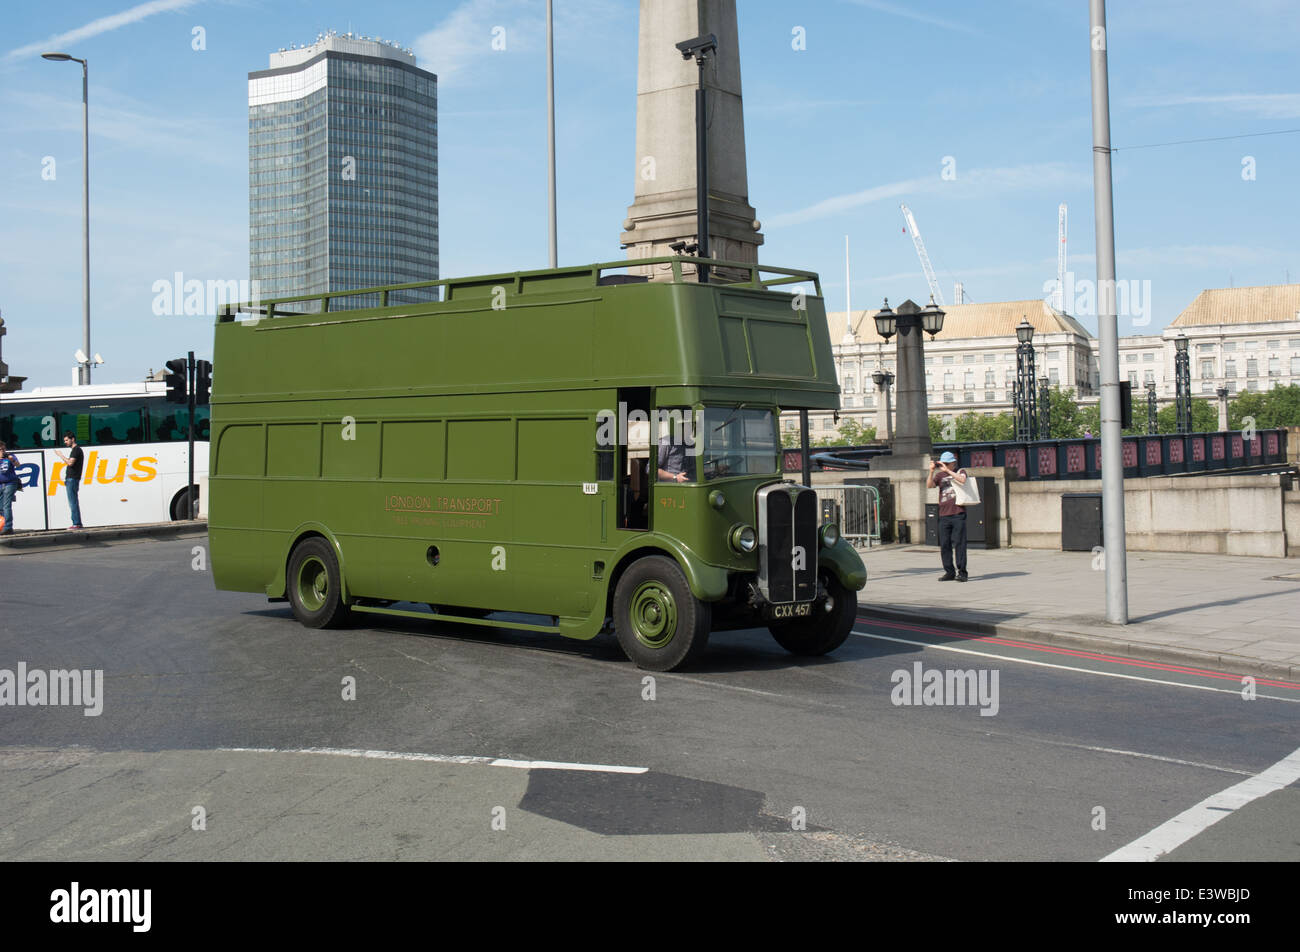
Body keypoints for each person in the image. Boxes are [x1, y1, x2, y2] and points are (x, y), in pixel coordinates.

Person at [926, 450, 969, 582]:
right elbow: (930, 485)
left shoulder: (960, 471)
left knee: (960, 543)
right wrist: (932, 471)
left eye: (946, 463)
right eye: (942, 463)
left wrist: (949, 471)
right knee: (945, 544)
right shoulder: (939, 475)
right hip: (944, 514)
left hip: (958, 513)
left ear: (952, 463)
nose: (943, 466)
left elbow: (962, 480)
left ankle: (962, 572)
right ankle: (949, 571)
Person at [55, 432, 85, 530]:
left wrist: (61, 455)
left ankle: (76, 523)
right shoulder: (76, 450)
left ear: (73, 439)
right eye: (65, 441)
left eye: (67, 440)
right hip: (72, 479)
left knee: (73, 502)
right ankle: (77, 522)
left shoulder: (76, 450)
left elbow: (70, 462)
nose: (65, 442)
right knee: (73, 501)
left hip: (72, 479)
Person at [0, 441, 19, 534]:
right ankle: (3, 526)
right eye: (1, 449)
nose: (3, 451)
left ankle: (8, 526)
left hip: (10, 483)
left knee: (6, 505)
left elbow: (18, 465)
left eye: (4, 449)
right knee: (1, 507)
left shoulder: (10, 456)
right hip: (0, 484)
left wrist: (12, 460)